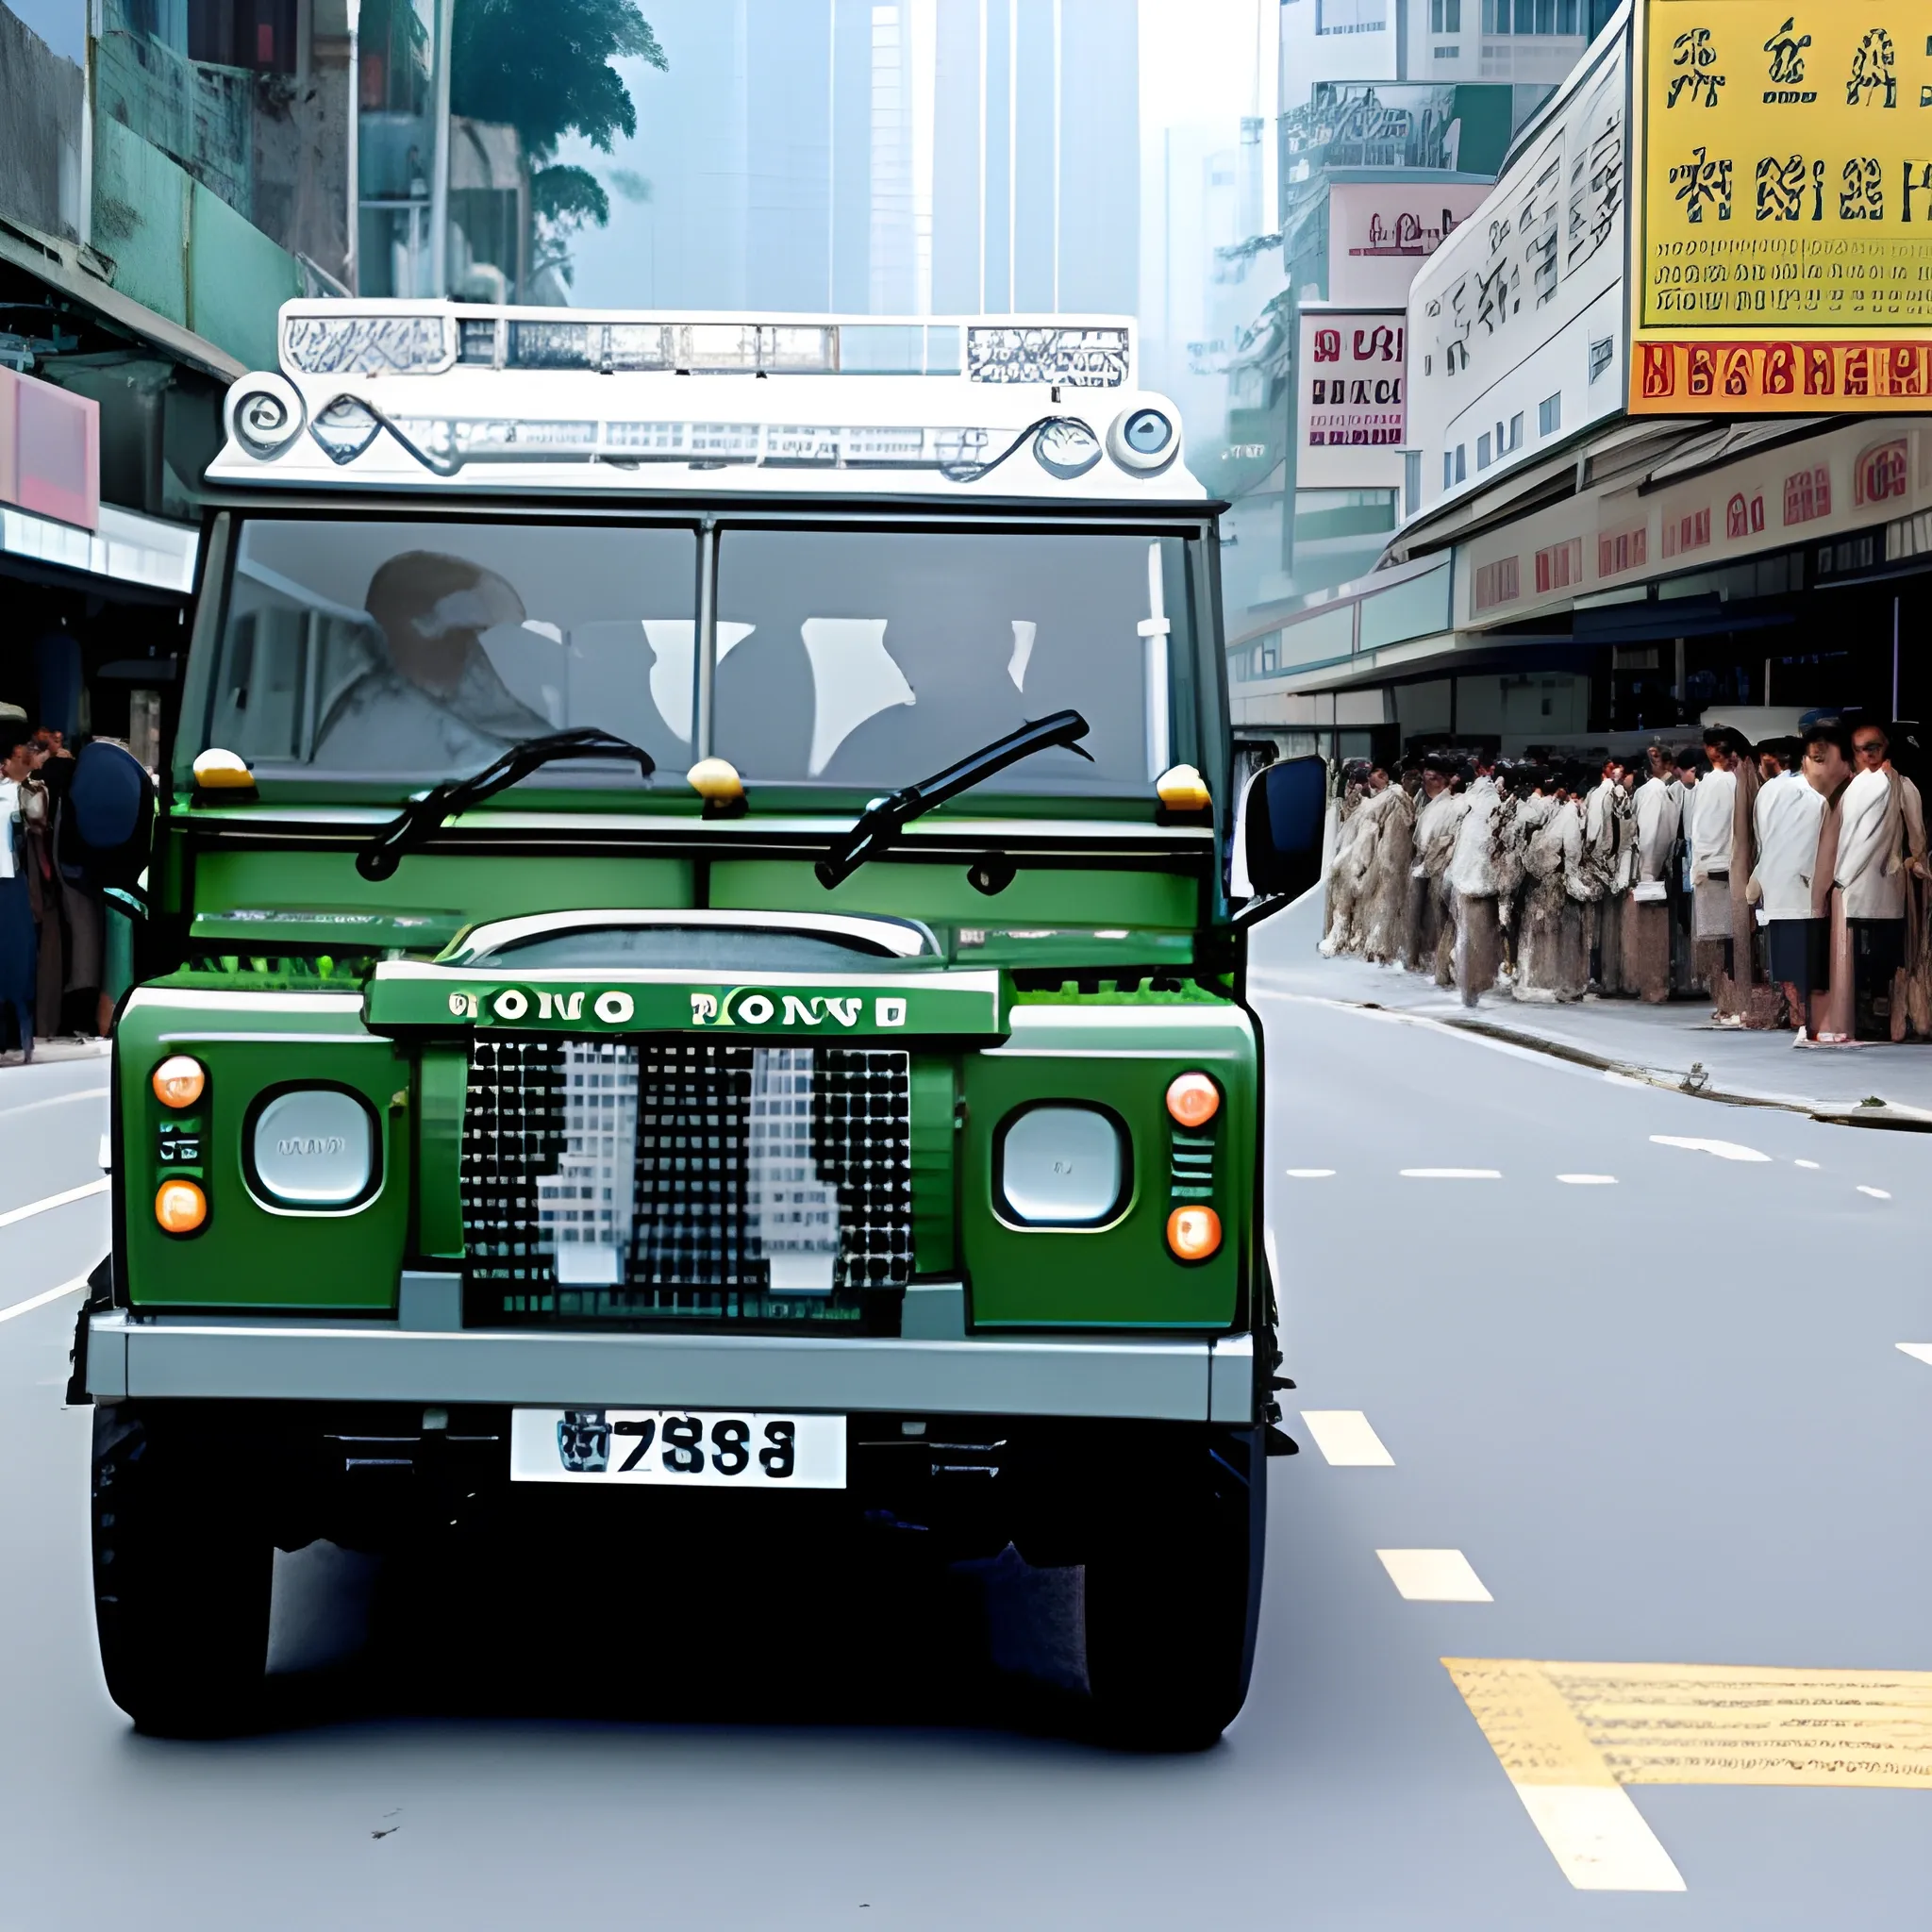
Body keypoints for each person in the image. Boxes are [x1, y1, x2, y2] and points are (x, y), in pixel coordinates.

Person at [311, 551, 553, 770]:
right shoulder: (386, 723)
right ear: (423, 635)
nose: (490, 660)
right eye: (483, 638)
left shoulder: (433, 708)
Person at [1749, 729, 1827, 1027]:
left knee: (1784, 953)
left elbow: (1761, 838)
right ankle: (1804, 1012)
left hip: (1778, 884)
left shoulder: (1769, 791)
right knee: (1806, 953)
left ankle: (1795, 1011)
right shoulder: (1814, 792)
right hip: (1806, 886)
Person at [1840, 720, 1909, 1041]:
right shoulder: (1851, 788)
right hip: (1852, 889)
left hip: (1883, 885)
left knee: (1884, 957)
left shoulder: (1901, 785)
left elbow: (1916, 836)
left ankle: (1885, 1019)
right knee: (1855, 960)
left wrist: (1911, 860)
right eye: (1860, 749)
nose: (1868, 755)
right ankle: (1859, 1016)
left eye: (1874, 747)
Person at [1799, 719, 1858, 1044]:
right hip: (1829, 892)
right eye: (1809, 759)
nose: (1810, 769)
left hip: (1842, 891)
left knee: (1837, 962)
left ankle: (1836, 1023)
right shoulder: (1828, 799)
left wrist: (1823, 888)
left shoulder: (1849, 795)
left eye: (1820, 759)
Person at [1623, 744, 1682, 1002]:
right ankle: (1655, 984)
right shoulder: (1662, 791)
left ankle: (1652, 986)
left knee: (1650, 931)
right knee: (1656, 930)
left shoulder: (1653, 792)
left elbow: (1649, 835)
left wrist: (1646, 873)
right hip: (1658, 869)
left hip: (1651, 870)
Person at [1407, 752, 1469, 982]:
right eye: (1425, 777)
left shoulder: (1454, 806)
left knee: (1442, 918)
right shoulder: (1423, 801)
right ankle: (1431, 960)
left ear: (1443, 780)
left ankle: (1445, 964)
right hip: (1424, 869)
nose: (1426, 781)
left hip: (1442, 871)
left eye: (1431, 778)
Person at [1447, 750, 1503, 1004]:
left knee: (1468, 933)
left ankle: (1470, 983)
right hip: (1481, 879)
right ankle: (1476, 983)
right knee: (1478, 935)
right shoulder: (1491, 800)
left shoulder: (1471, 799)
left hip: (1467, 877)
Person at [1690, 729, 1740, 1016]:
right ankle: (1729, 1001)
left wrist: (1702, 863)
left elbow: (1706, 828)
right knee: (1727, 939)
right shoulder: (1730, 781)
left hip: (1714, 864)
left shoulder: (1717, 782)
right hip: (1724, 862)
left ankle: (1729, 1002)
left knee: (1721, 941)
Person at [0, 732, 39, 1061]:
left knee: (15, 957)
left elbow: (37, 819)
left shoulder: (23, 791)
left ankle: (20, 1034)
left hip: (10, 881)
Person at [1355, 762, 1416, 965]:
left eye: (1374, 783)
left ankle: (1381, 948)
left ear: (1383, 776)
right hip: (1389, 858)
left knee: (1385, 903)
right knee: (1383, 903)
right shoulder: (1392, 795)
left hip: (1392, 858)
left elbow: (1373, 822)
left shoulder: (1393, 795)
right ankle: (1379, 946)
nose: (1373, 788)